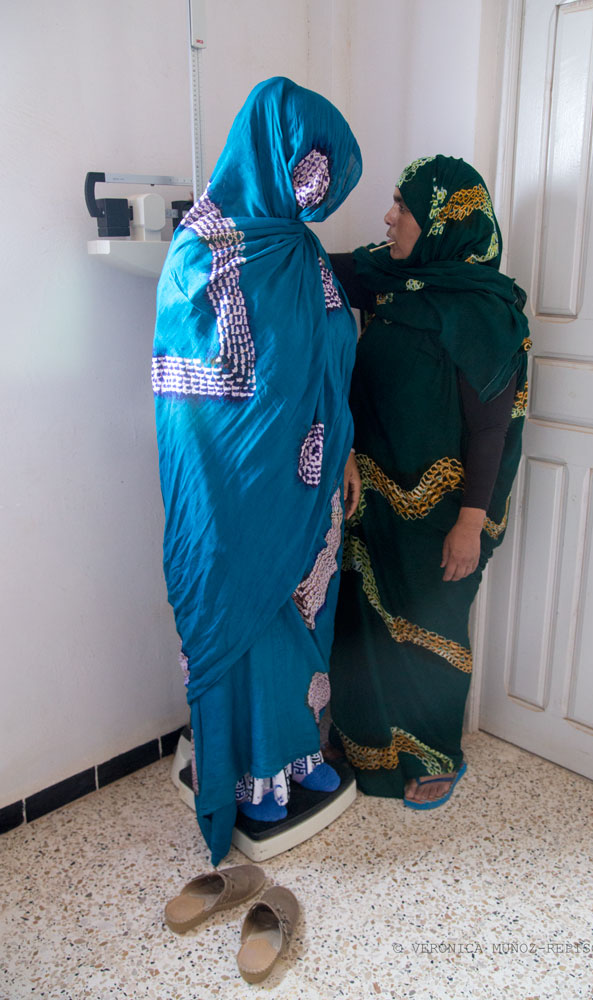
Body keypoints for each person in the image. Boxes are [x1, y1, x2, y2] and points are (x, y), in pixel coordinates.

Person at [152, 77, 362, 865]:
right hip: (234, 490)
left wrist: (339, 451)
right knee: (249, 620)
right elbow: (195, 395)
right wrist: (263, 458)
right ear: (268, 150)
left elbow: (328, 359)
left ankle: (297, 758)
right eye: (307, 170)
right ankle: (247, 773)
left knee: (302, 619)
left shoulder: (302, 250)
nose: (313, 192)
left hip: (312, 477)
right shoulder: (200, 251)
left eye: (324, 181)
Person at [328, 155, 530, 809]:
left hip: (445, 511)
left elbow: (490, 431)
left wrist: (470, 524)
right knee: (362, 621)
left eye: (404, 207)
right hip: (371, 496)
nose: (389, 217)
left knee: (430, 628)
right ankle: (362, 742)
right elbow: (313, 265)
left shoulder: (483, 312)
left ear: (444, 223)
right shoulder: (387, 278)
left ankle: (434, 753)